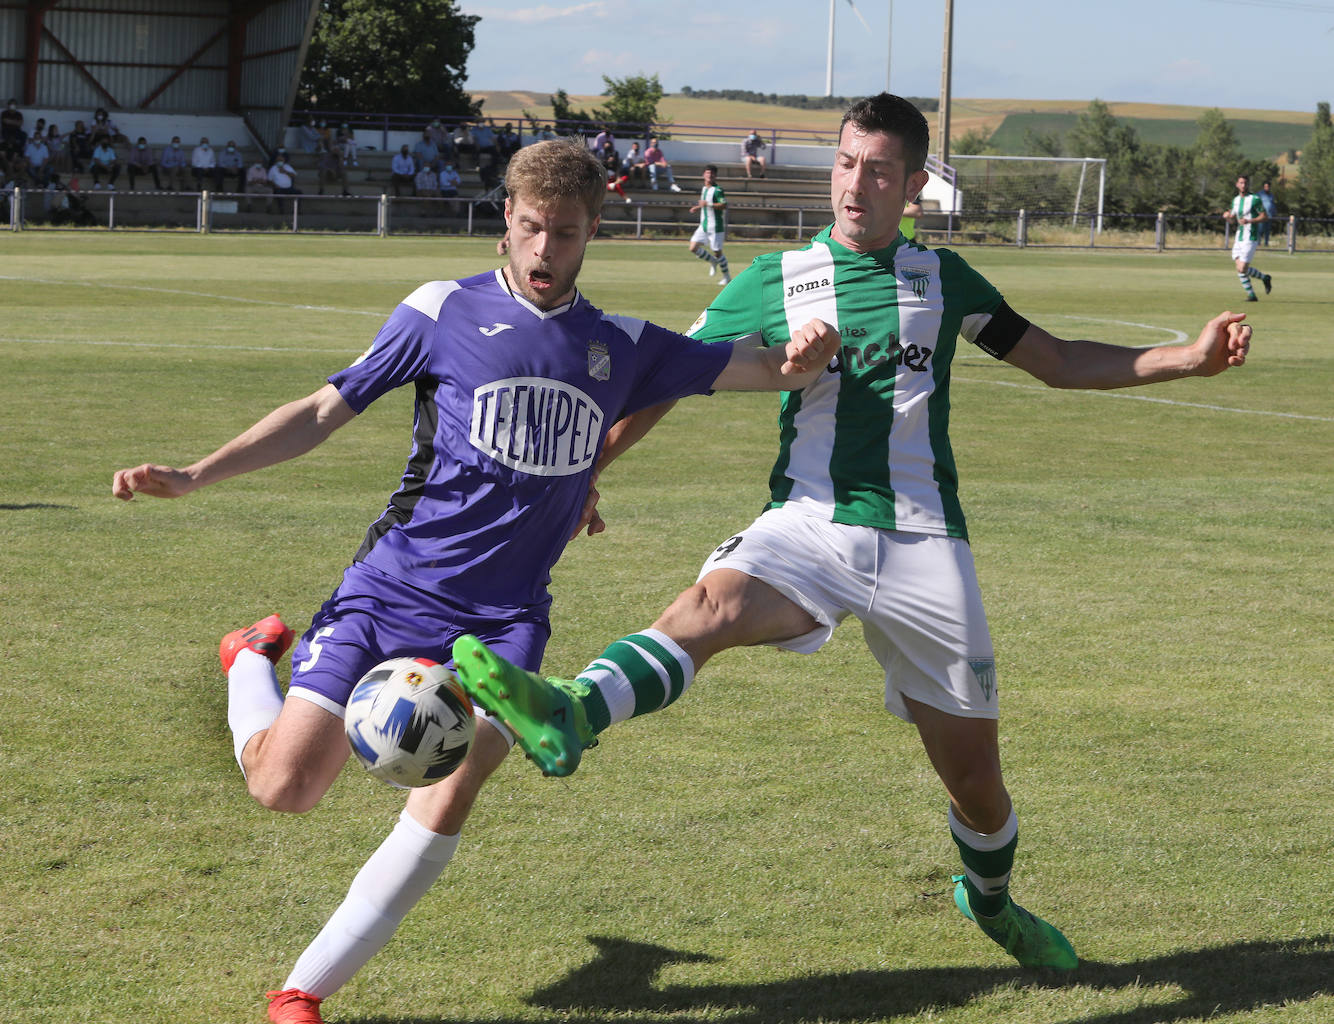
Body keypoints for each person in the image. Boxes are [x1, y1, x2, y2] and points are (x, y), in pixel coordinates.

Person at [451, 93, 1253, 976]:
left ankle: (991, 902)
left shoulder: (949, 281)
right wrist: (591, 472)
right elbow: (665, 379)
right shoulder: (773, 279)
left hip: (924, 545)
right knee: (708, 606)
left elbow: (1057, 362)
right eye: (844, 163)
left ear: (912, 184)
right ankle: (572, 710)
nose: (854, 184)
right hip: (809, 524)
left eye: (876, 169)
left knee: (978, 789)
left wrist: (1189, 358)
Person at [109, 137, 840, 1024]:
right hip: (392, 590)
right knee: (285, 787)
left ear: (591, 233)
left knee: (451, 783)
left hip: (502, 625)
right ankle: (247, 664)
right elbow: (318, 412)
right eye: (531, 228)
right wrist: (195, 474)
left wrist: (807, 351)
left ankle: (302, 991)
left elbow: (765, 369)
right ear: (506, 219)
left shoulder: (624, 346)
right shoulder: (439, 311)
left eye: (564, 234)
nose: (544, 251)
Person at [1222, 173, 1271, 302]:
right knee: (1239, 268)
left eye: (1245, 183)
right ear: (1237, 184)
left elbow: (1264, 216)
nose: (1243, 185)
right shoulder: (1236, 200)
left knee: (1243, 268)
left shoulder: (1254, 199)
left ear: (1248, 184)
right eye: (1241, 183)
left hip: (1251, 236)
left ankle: (1263, 279)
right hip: (1239, 237)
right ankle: (1252, 294)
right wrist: (1227, 217)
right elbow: (1233, 220)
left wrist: (1250, 221)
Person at [687, 163, 729, 283]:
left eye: (712, 173)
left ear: (715, 176)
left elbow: (723, 205)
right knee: (693, 247)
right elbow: (705, 204)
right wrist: (698, 207)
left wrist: (707, 204)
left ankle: (727, 277)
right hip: (704, 224)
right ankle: (712, 261)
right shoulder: (704, 189)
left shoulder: (718, 190)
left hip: (715, 226)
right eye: (707, 173)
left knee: (718, 252)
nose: (709, 175)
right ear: (703, 175)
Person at [1257, 180, 1276, 246]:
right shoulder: (1260, 194)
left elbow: (1273, 204)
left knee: (1267, 230)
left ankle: (1266, 243)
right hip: (1261, 215)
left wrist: (1274, 213)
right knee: (1260, 229)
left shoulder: (1271, 195)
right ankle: (1258, 243)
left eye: (1268, 186)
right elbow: (1256, 204)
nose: (1266, 188)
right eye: (1265, 186)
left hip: (1269, 216)